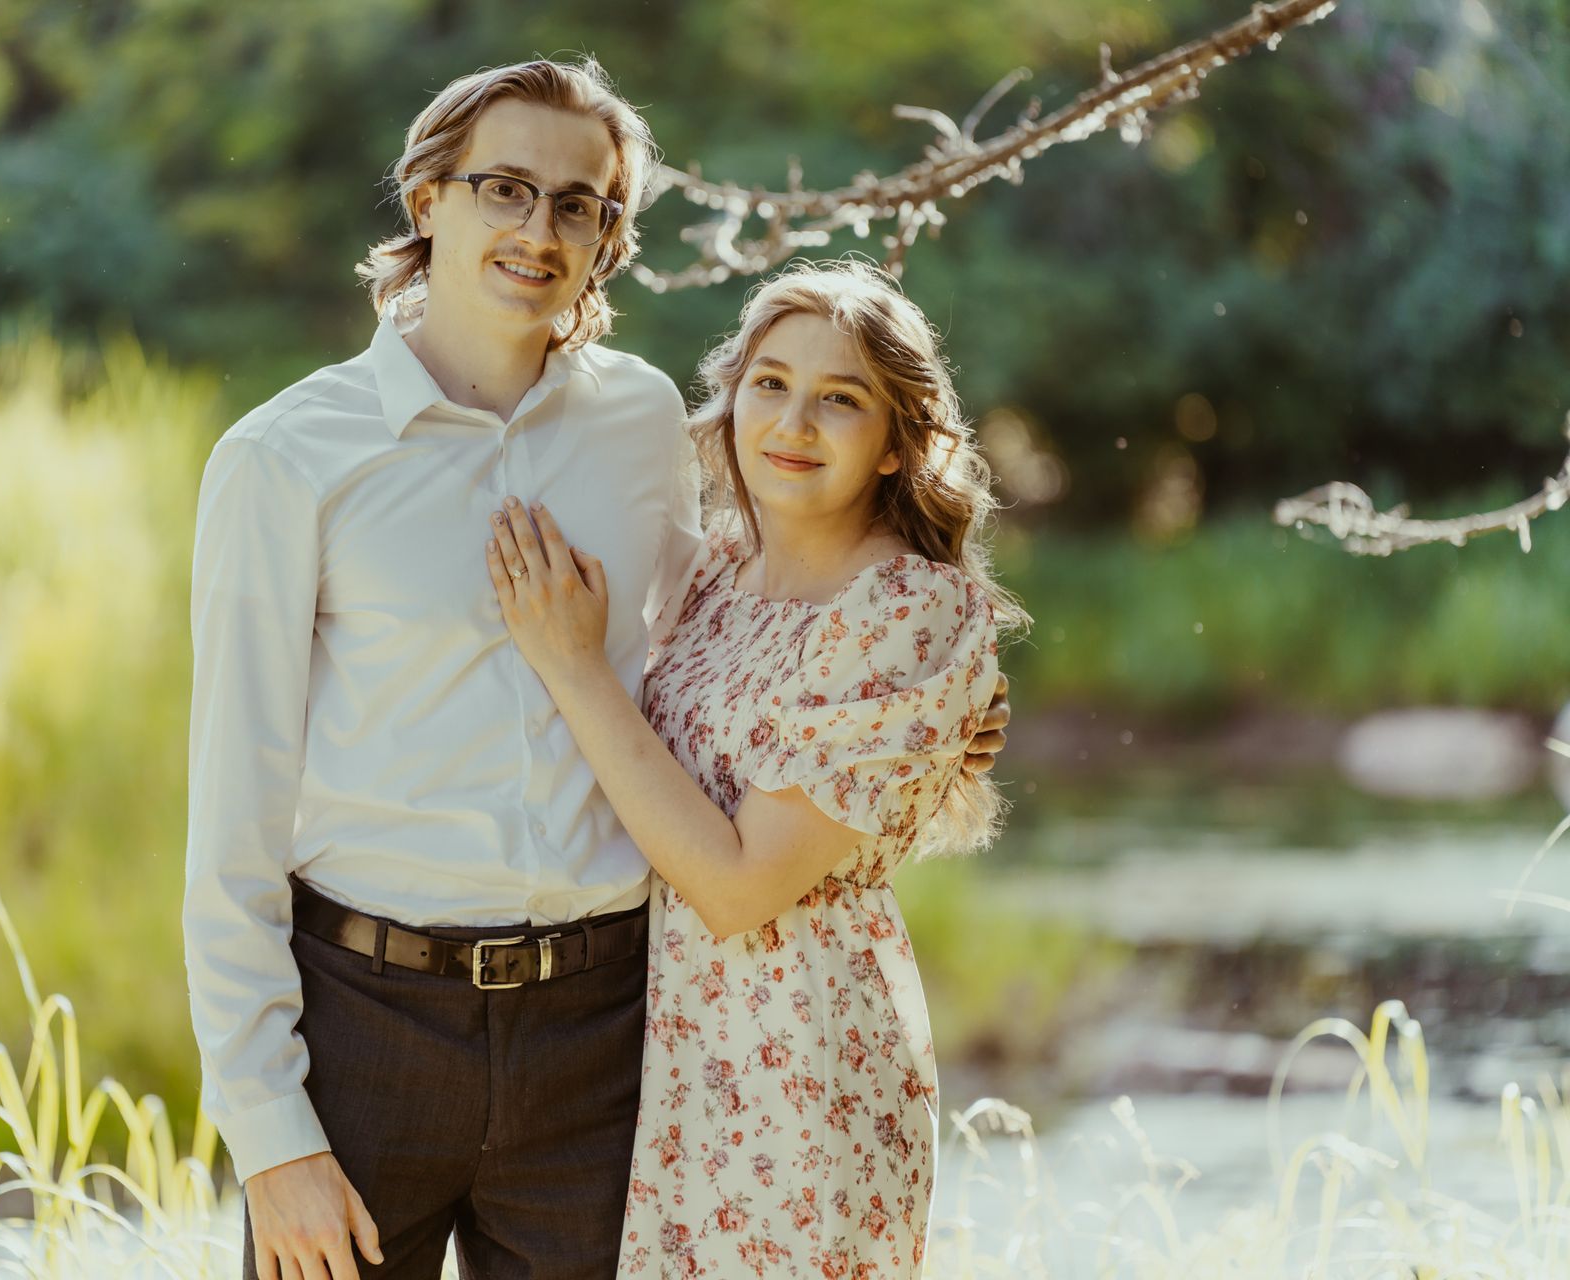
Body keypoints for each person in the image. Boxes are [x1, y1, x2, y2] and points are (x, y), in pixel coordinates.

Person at [183, 58, 1010, 1280]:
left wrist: (939, 712)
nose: (541, 230)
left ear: (612, 237)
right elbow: (231, 820)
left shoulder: (641, 422)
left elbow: (732, 630)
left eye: (582, 204)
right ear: (427, 202)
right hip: (365, 1020)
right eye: (505, 189)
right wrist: (267, 1134)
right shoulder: (285, 458)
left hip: (607, 1033)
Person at [482, 259, 1025, 1277]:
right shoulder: (713, 571)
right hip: (651, 1045)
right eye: (770, 383)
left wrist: (571, 662)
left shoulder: (907, 610)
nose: (794, 423)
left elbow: (736, 886)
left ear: (899, 445)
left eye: (841, 400)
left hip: (794, 1067)